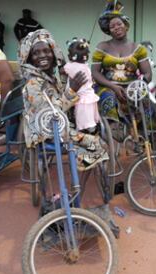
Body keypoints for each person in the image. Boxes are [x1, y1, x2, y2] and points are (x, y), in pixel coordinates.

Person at [18, 29, 108, 171]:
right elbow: (50, 114)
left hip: (60, 125)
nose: (42, 56)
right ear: (29, 58)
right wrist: (72, 89)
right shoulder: (33, 84)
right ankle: (79, 174)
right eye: (36, 53)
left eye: (46, 51)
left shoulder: (52, 78)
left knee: (95, 131)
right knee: (97, 144)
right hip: (46, 132)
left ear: (54, 54)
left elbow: (61, 99)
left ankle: (82, 171)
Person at [91, 0, 152, 122]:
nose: (116, 28)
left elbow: (148, 74)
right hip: (107, 86)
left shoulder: (138, 49)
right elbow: (95, 72)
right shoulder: (102, 47)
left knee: (147, 104)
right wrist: (113, 86)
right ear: (108, 31)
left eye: (119, 24)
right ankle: (114, 131)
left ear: (126, 25)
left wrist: (135, 87)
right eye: (112, 27)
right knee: (108, 98)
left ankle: (148, 136)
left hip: (132, 87)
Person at [64, 38, 100, 133]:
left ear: (70, 56)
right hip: (90, 95)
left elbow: (63, 70)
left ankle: (81, 130)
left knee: (82, 118)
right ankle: (92, 128)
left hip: (79, 96)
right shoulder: (86, 67)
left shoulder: (71, 66)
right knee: (89, 116)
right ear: (86, 57)